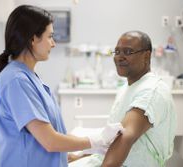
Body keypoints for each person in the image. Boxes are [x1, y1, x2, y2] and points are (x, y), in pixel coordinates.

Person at [0, 5, 123, 167]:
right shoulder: (16, 81)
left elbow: (40, 143)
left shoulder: (30, 78)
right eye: (50, 36)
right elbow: (49, 141)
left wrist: (78, 154)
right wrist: (96, 140)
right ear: (32, 39)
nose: (53, 43)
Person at [69, 31, 176, 167]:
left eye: (128, 52)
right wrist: (80, 156)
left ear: (146, 55)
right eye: (117, 52)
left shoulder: (151, 92)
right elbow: (112, 138)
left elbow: (124, 137)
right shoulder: (128, 86)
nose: (119, 57)